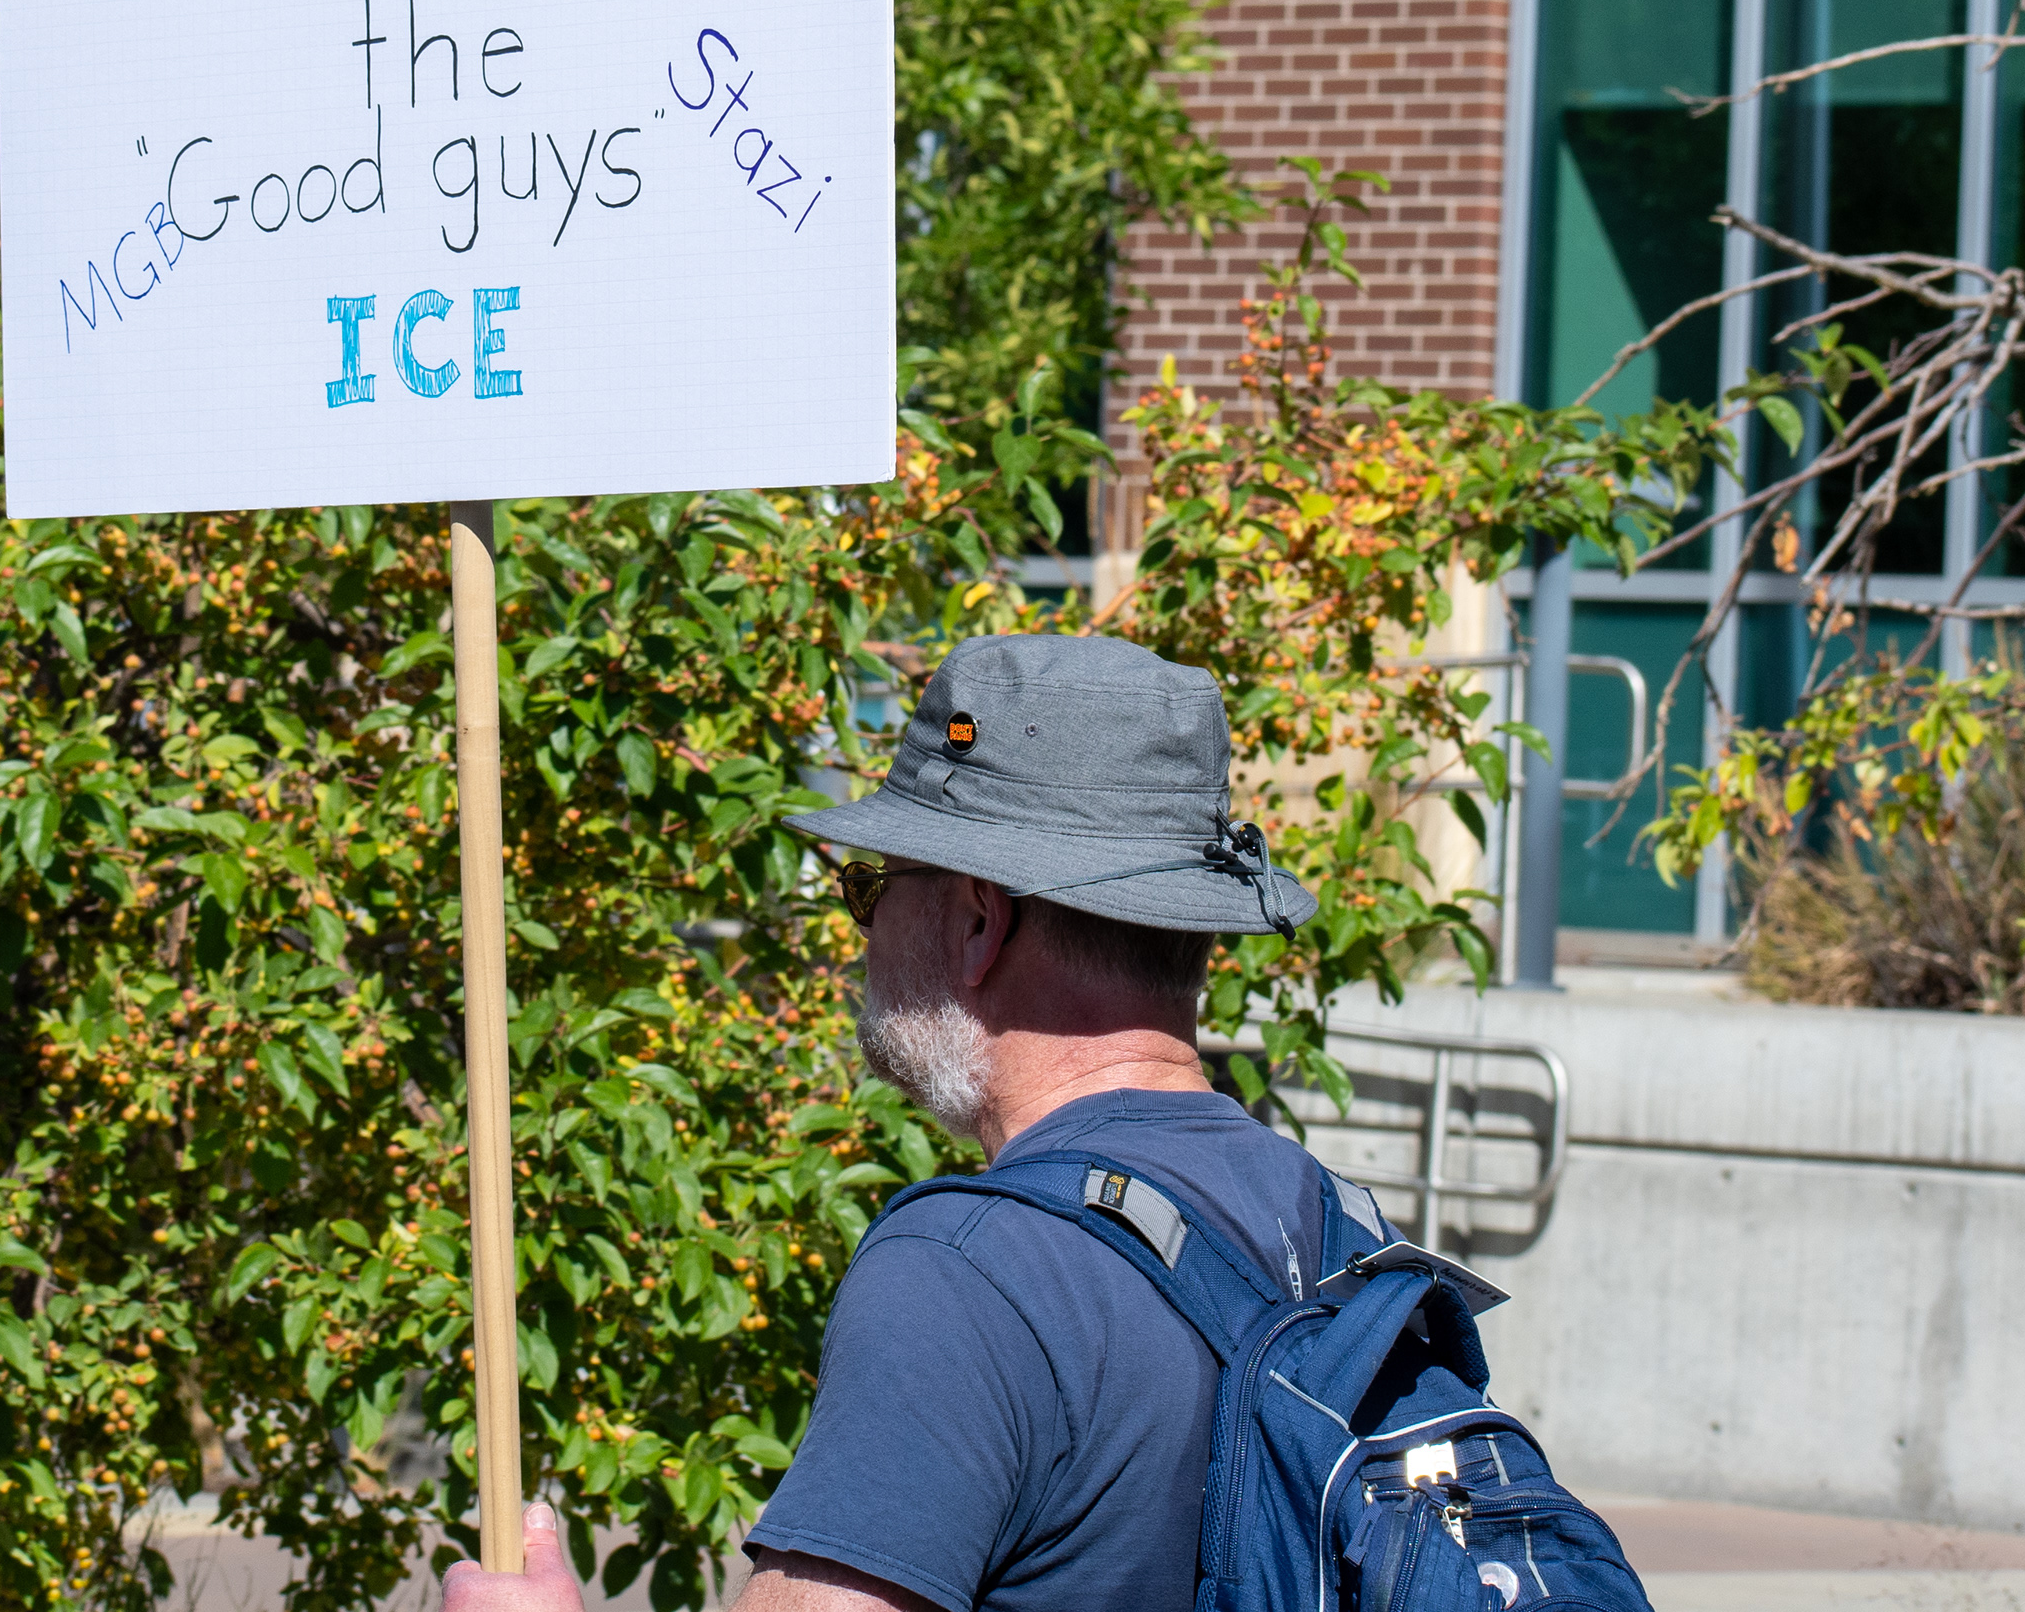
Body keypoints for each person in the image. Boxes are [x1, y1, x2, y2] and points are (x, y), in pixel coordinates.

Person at [446, 634, 1359, 1612]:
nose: (866, 934)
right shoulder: (1333, 1222)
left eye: (872, 891)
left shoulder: (966, 1277)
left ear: (977, 923)